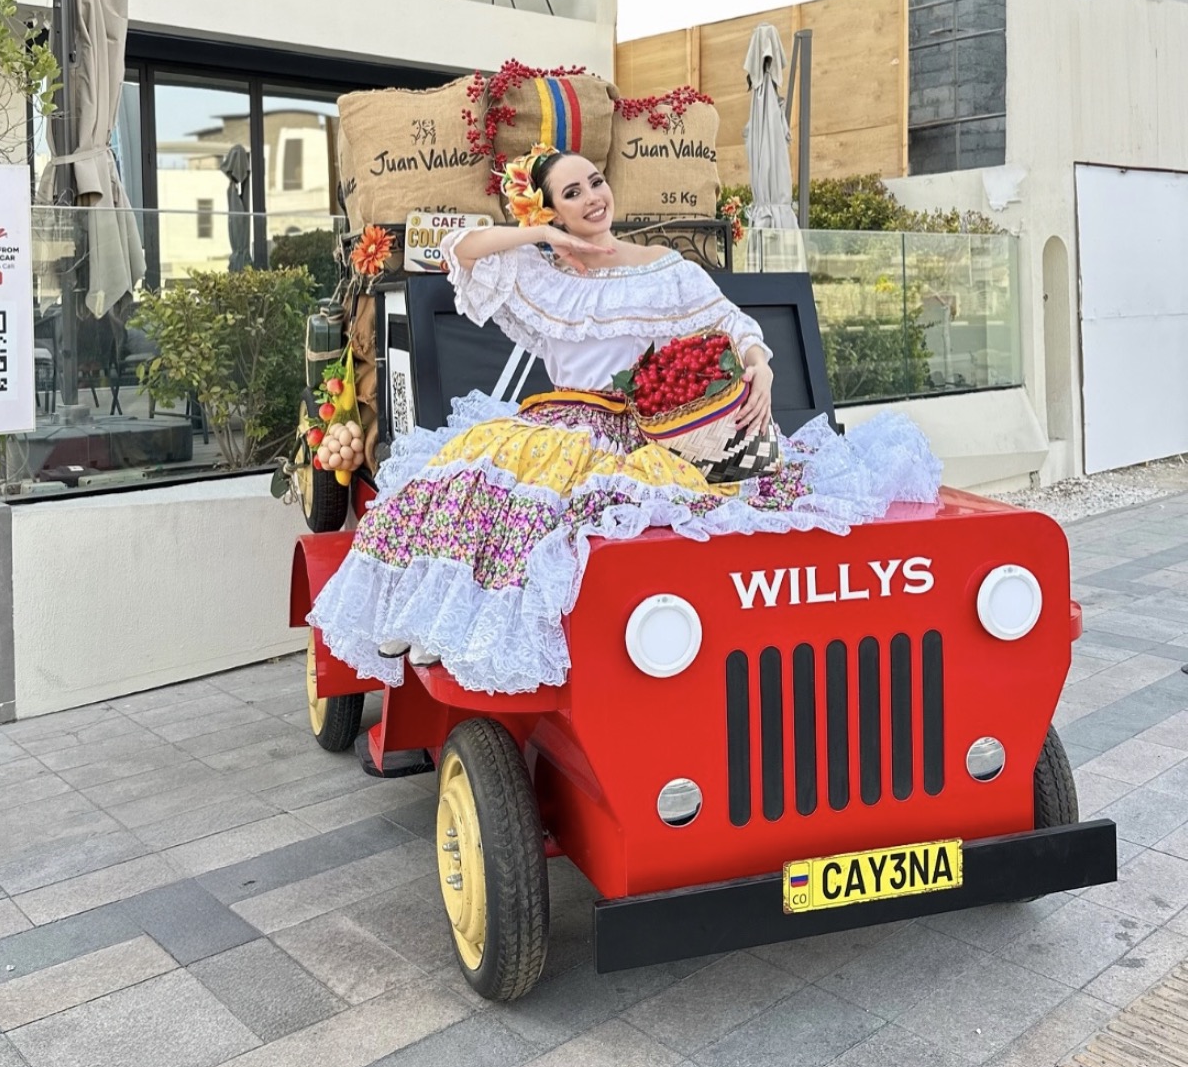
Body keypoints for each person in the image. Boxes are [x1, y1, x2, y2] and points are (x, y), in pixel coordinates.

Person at [309, 147, 941, 694]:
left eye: (596, 182)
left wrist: (761, 368)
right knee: (472, 483)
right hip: (560, 420)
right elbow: (461, 250)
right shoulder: (542, 272)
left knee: (617, 512)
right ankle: (434, 619)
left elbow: (734, 325)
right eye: (572, 193)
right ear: (550, 209)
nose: (592, 197)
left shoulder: (665, 267)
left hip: (644, 427)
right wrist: (543, 238)